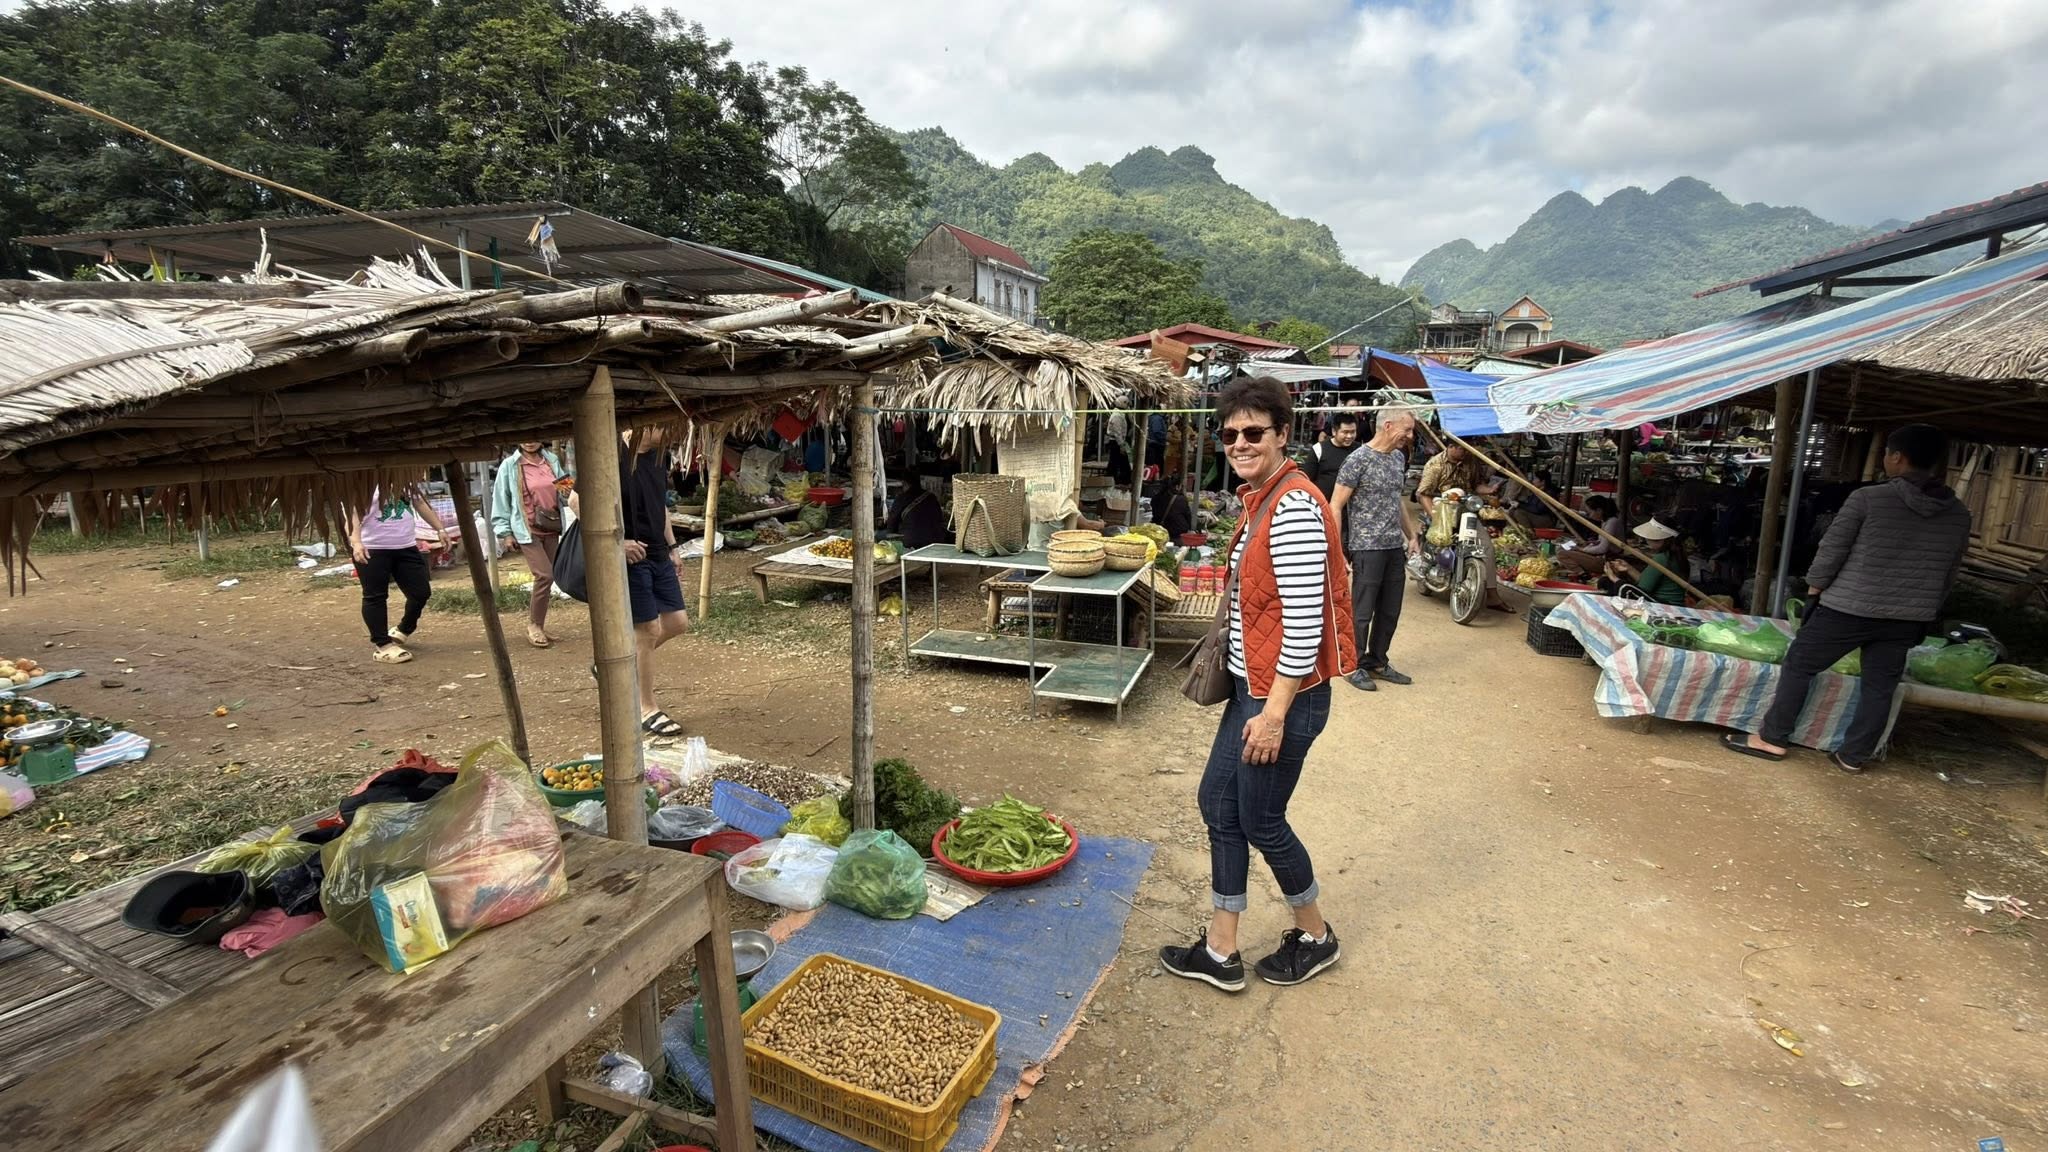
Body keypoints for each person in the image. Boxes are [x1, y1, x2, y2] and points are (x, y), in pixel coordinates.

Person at [1160, 376, 1355, 993]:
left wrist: (1272, 716)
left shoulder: (1293, 506)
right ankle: (1221, 950)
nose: (1240, 443)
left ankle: (1317, 936)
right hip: (1254, 689)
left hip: (1283, 699)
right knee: (1220, 805)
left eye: (1254, 432)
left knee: (1261, 818)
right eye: (1231, 434)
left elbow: (1301, 626)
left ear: (1281, 435)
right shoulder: (1260, 499)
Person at [1728, 424, 1972, 772]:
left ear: (1896, 457)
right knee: (1880, 686)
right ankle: (1854, 755)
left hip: (1848, 606)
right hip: (1907, 617)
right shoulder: (1958, 514)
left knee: (1800, 664)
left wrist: (1814, 592)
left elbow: (1831, 551)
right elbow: (1949, 573)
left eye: (1888, 453)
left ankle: (1772, 738)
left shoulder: (1868, 499)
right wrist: (1926, 610)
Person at [1330, 409, 1419, 691]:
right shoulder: (1358, 460)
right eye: (1406, 429)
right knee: (1361, 611)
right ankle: (1352, 664)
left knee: (1390, 610)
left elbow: (1397, 500)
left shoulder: (1397, 458)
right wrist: (1338, 550)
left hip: (1394, 546)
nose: (1410, 436)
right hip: (1366, 546)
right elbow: (1336, 505)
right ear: (1388, 425)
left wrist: (1411, 535)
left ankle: (1377, 660)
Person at [621, 426, 691, 738]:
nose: (672, 433)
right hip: (630, 556)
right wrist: (617, 540)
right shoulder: (610, 453)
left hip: (659, 552)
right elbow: (576, 500)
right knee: (646, 629)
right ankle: (645, 707)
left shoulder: (659, 457)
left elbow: (659, 504)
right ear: (645, 423)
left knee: (677, 622)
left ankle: (617, 665)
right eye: (666, 425)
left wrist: (673, 546)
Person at [348, 485, 449, 664]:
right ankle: (383, 645)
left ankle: (403, 629)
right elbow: (351, 513)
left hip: (406, 546)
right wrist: (356, 542)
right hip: (373, 548)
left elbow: (420, 503)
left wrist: (440, 529)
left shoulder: (403, 479)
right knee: (375, 596)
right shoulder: (360, 479)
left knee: (421, 592)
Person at [491, 441, 571, 648]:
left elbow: (566, 490)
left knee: (552, 575)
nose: (529, 441)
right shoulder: (510, 465)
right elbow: (501, 499)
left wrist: (570, 489)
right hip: (526, 529)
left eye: (533, 436)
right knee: (544, 575)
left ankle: (540, 625)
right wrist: (505, 533)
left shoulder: (551, 460)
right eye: (524, 437)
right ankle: (534, 625)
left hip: (551, 525)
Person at [1601, 519, 1688, 605]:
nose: (1646, 539)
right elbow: (1645, 582)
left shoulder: (1661, 558)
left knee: (1612, 583)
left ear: (1661, 540)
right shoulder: (1676, 555)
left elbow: (1641, 590)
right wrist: (1629, 569)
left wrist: (1613, 577)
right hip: (1666, 601)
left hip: (1664, 603)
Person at [1415, 440, 1495, 519]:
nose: (1466, 452)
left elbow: (1475, 485)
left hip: (1466, 504)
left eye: (1468, 449)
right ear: (1451, 447)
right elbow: (1423, 494)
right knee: (1458, 492)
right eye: (1463, 449)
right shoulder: (1435, 465)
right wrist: (1435, 518)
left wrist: (1490, 490)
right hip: (1440, 502)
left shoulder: (1471, 461)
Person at [1556, 494, 1624, 576]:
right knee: (1562, 548)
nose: (1590, 515)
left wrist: (1581, 549)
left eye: (1590, 512)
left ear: (1599, 510)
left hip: (1609, 561)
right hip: (1603, 557)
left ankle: (1582, 574)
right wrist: (1589, 543)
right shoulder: (1606, 521)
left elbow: (1603, 549)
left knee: (1562, 554)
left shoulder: (1612, 522)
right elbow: (1605, 542)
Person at [1305, 412, 1359, 500]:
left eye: (1353, 432)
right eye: (1345, 432)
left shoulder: (1359, 451)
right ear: (1334, 431)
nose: (1349, 436)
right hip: (1322, 504)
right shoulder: (1318, 449)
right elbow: (1307, 479)